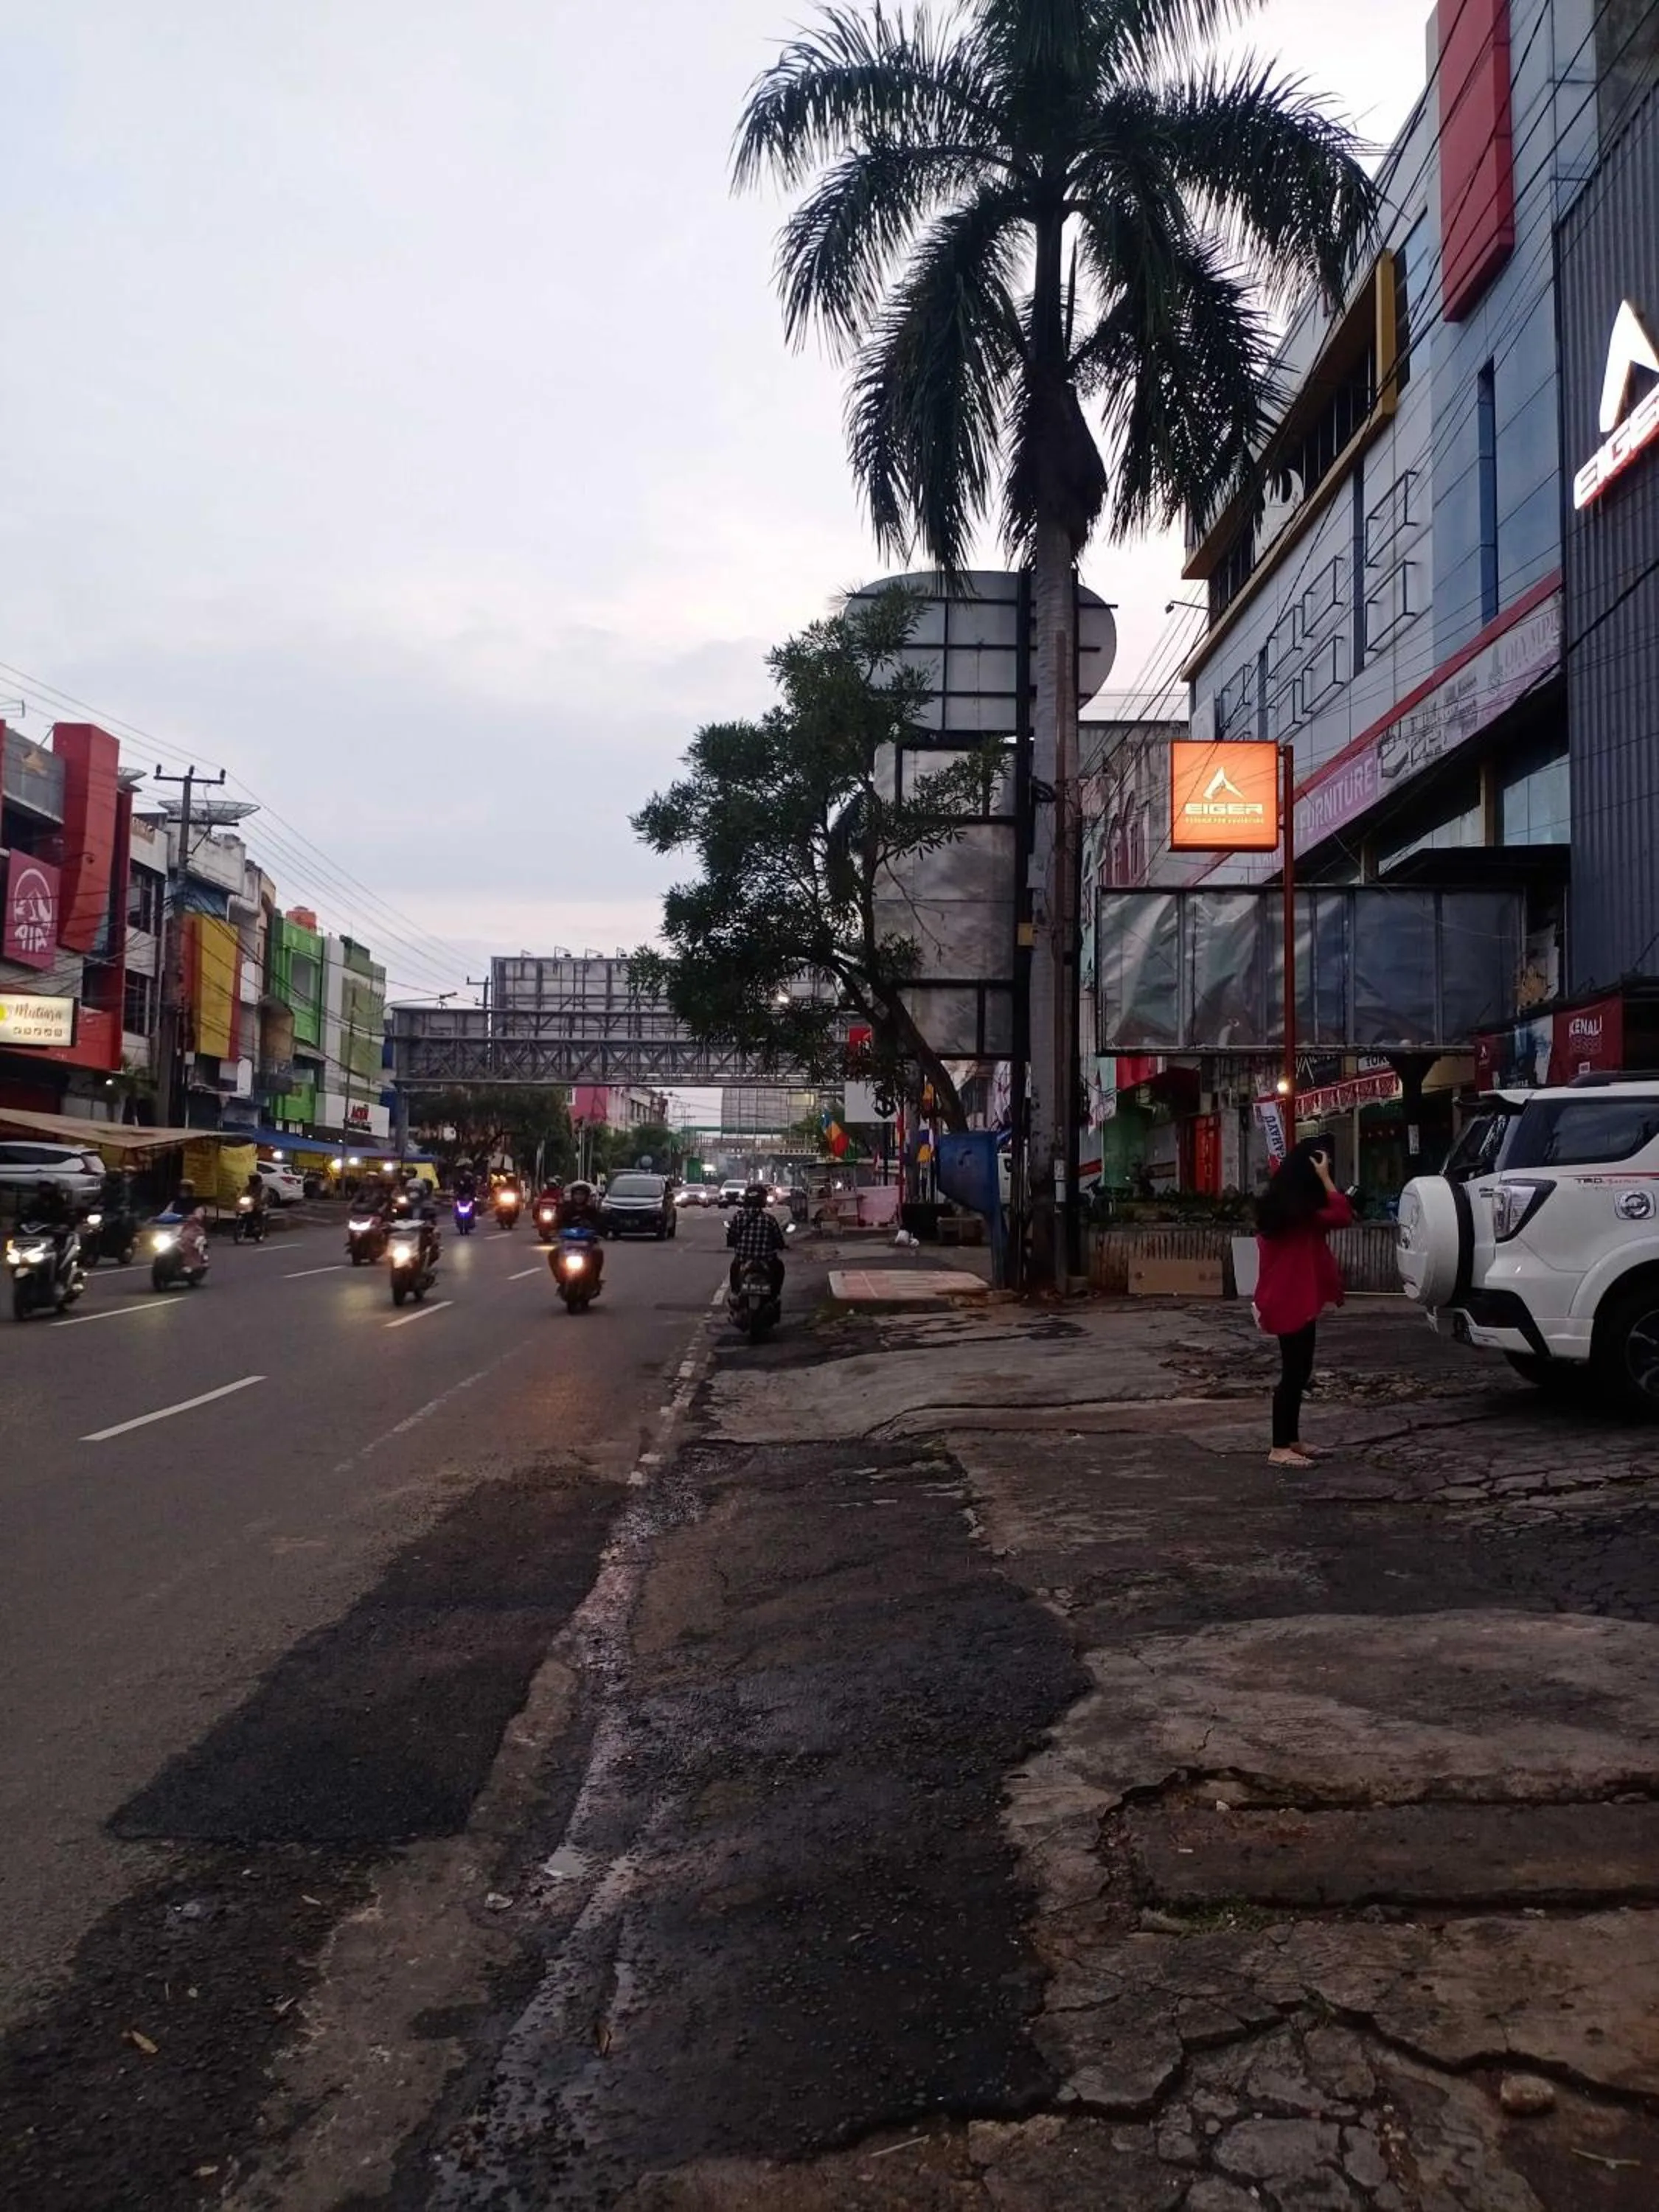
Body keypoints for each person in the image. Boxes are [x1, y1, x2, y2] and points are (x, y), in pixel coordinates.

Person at [1253, 1140, 1353, 1468]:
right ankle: (1279, 1446)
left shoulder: (1282, 1210)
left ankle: (1291, 1439)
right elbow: (1342, 1214)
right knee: (1294, 1373)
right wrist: (1325, 1179)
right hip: (1290, 1299)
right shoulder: (1301, 1216)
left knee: (1298, 1371)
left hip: (1285, 1297)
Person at [726, 1183, 787, 1296]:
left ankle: (735, 1293)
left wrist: (732, 1243)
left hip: (743, 1258)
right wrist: (782, 1245)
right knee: (779, 1268)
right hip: (766, 1259)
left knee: (734, 1269)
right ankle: (775, 1294)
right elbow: (778, 1239)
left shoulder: (739, 1217)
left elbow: (731, 1236)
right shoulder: (769, 1220)